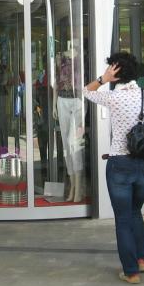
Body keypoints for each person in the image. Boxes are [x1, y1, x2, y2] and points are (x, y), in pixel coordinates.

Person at [84, 51, 144, 284]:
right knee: (135, 212)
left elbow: (86, 91)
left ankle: (131, 272)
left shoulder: (114, 97)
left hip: (120, 164)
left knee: (122, 219)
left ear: (115, 73)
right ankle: (141, 260)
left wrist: (103, 79)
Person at [54, 39, 86, 202]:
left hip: (78, 101)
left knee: (74, 142)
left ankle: (79, 186)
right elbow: (56, 82)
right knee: (66, 145)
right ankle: (72, 186)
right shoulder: (60, 58)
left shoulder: (84, 58)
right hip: (62, 100)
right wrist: (54, 104)